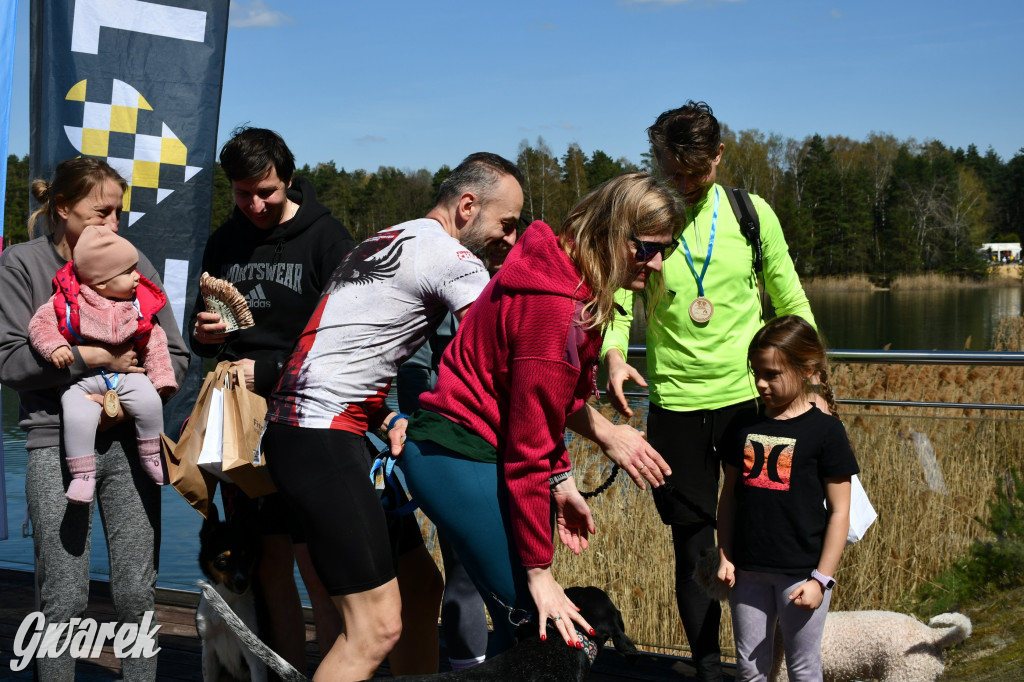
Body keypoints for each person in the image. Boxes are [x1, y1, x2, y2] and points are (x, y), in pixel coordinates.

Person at [263, 152, 523, 681]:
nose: (511, 240)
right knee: (374, 628)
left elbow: (335, 353)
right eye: (507, 224)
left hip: (306, 433)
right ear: (468, 206)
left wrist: (386, 418)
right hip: (321, 440)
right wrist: (601, 428)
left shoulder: (386, 239)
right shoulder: (455, 259)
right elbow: (507, 360)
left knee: (422, 587)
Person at [400, 172, 677, 656]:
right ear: (612, 232)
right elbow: (528, 447)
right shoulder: (555, 306)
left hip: (462, 450)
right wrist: (539, 572)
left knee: (524, 633)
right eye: (647, 249)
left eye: (666, 252)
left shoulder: (561, 274)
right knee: (539, 625)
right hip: (459, 454)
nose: (656, 265)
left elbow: (541, 404)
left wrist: (563, 479)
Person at [601, 101, 817, 681]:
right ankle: (708, 667)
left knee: (765, 538)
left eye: (698, 173)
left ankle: (765, 667)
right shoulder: (643, 216)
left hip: (753, 404)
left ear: (719, 155)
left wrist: (810, 384)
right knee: (694, 549)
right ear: (656, 159)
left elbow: (791, 304)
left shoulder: (752, 214)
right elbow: (619, 304)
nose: (686, 185)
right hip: (675, 408)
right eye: (673, 172)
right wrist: (615, 356)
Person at [0, 157, 189, 681]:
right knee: (63, 592)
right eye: (101, 212)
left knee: (136, 590)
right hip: (53, 443)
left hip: (131, 446)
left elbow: (174, 353)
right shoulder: (22, 265)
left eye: (119, 214)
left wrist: (130, 397)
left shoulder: (133, 263)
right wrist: (94, 360)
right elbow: (10, 360)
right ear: (62, 208)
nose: (113, 225)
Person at [190, 127, 354, 673]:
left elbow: (349, 336)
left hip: (307, 422)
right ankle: (284, 673)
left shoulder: (326, 238)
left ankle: (332, 670)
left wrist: (270, 368)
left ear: (288, 180)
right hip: (240, 427)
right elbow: (200, 330)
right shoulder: (223, 241)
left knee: (319, 569)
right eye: (243, 194)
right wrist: (206, 335)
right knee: (268, 565)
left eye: (267, 193)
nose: (255, 205)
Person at [394, 236, 516, 672]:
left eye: (512, 232)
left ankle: (509, 664)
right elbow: (413, 366)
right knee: (463, 571)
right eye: (498, 232)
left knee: (514, 578)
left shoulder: (526, 293)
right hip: (459, 448)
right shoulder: (452, 292)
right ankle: (469, 668)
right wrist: (413, 418)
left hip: (514, 452)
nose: (505, 243)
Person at [716, 315, 856, 681]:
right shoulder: (743, 425)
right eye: (756, 372)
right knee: (749, 666)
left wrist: (821, 579)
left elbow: (841, 511)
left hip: (802, 574)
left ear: (807, 369)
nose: (761, 383)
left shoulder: (826, 431)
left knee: (803, 666)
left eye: (772, 374)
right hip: (747, 571)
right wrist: (725, 554)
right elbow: (728, 496)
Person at [28, 224, 176, 503]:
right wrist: (56, 347)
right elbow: (40, 325)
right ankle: (82, 477)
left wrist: (162, 379)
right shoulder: (68, 302)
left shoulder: (137, 305)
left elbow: (156, 342)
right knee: (76, 415)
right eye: (128, 272)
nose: (137, 276)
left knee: (149, 402)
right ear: (100, 281)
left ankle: (152, 454)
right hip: (81, 378)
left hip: (128, 374)